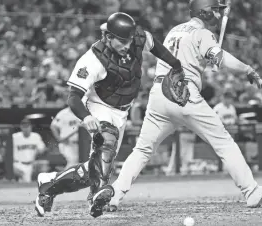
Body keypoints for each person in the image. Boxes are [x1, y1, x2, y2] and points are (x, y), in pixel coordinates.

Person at [107, 0, 262, 212]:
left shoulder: (175, 30)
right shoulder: (202, 33)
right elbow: (221, 58)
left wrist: (206, 61)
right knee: (223, 142)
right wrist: (247, 69)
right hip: (183, 91)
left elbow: (193, 57)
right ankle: (252, 192)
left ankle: (113, 196)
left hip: (159, 93)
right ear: (205, 11)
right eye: (216, 9)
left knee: (142, 150)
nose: (219, 13)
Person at [34, 12, 186, 218]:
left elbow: (155, 45)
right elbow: (73, 97)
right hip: (99, 106)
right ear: (108, 37)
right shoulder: (93, 58)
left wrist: (175, 64)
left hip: (122, 111)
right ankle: (96, 195)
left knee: (95, 171)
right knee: (106, 148)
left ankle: (49, 184)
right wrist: (86, 117)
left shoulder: (137, 38)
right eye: (122, 40)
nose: (127, 44)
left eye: (130, 39)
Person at [13, 118, 46, 183]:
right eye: (24, 127)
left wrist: (40, 151)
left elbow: (42, 148)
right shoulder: (14, 137)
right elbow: (7, 154)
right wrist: (12, 168)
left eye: (27, 126)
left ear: (31, 127)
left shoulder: (36, 136)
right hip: (17, 164)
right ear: (21, 127)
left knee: (27, 186)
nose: (26, 129)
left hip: (30, 165)